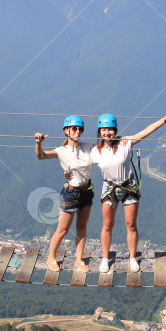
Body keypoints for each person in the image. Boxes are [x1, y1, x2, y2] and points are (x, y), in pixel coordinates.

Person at [92, 102, 166, 273]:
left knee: (131, 224)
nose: (107, 132)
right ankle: (105, 258)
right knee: (107, 224)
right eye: (104, 130)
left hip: (129, 187)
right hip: (109, 189)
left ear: (115, 131)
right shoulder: (95, 151)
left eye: (110, 129)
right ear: (99, 132)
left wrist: (165, 119)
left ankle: (132, 258)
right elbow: (75, 155)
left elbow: (146, 131)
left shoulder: (125, 143)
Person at [34, 116, 95, 272]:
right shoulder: (62, 151)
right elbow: (41, 156)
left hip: (86, 191)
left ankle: (79, 260)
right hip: (71, 194)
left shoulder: (88, 147)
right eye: (74, 128)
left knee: (82, 228)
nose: (77, 131)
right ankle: (51, 258)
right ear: (66, 131)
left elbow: (106, 150)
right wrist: (38, 144)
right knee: (63, 229)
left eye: (80, 128)